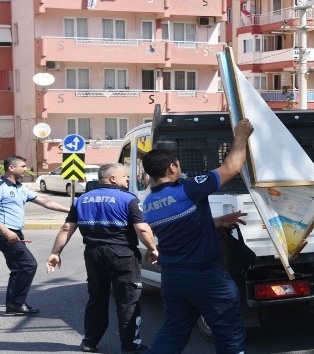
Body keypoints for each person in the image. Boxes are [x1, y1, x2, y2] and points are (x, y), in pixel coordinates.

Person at [141, 118, 253, 354]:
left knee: (174, 329)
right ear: (172, 167)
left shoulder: (150, 203)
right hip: (205, 277)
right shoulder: (188, 189)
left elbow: (181, 229)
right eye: (178, 164)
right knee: (228, 330)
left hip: (173, 277)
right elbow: (231, 168)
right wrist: (241, 136)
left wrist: (216, 222)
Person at [45, 163, 159, 354]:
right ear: (113, 178)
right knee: (127, 301)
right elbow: (142, 228)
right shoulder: (128, 199)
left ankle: (90, 342)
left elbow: (67, 228)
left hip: (94, 255)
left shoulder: (82, 200)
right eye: (124, 176)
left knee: (97, 299)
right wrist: (152, 248)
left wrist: (55, 252)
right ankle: (130, 346)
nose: (127, 179)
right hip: (122, 255)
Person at [0, 156, 70, 315]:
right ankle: (17, 303)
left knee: (18, 268)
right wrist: (6, 231)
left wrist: (70, 210)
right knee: (28, 265)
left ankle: (13, 304)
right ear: (11, 168)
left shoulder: (20, 188)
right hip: (5, 232)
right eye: (23, 166)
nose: (26, 169)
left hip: (15, 232)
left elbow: (46, 202)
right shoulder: (1, 186)